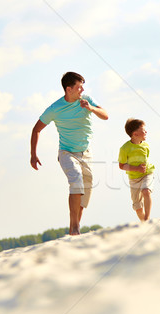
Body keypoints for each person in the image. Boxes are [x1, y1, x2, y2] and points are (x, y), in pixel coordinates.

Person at [30, 72, 108, 235]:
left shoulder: (87, 100)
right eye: (79, 87)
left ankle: (75, 228)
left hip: (86, 153)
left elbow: (105, 116)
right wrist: (33, 154)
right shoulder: (55, 108)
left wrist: (90, 108)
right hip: (67, 153)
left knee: (85, 190)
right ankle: (74, 228)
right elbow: (36, 129)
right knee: (76, 181)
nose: (82, 90)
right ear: (69, 89)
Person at [118, 118, 155, 222]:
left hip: (147, 173)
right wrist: (136, 169)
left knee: (146, 191)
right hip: (134, 179)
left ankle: (147, 219)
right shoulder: (124, 148)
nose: (146, 131)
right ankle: (144, 223)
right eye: (143, 130)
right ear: (135, 134)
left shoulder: (146, 145)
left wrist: (142, 169)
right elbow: (121, 165)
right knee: (138, 207)